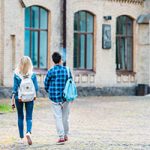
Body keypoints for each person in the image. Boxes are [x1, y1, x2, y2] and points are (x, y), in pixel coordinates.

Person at [44, 52, 72, 145]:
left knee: (58, 117)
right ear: (61, 60)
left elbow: (46, 84)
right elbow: (70, 82)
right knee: (65, 118)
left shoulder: (50, 71)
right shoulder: (67, 70)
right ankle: (66, 135)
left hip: (54, 98)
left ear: (53, 61)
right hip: (66, 98)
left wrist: (50, 91)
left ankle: (61, 137)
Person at [11, 56, 38, 145]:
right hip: (30, 97)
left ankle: (21, 138)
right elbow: (36, 88)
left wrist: (12, 101)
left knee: (20, 117)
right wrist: (34, 95)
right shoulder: (32, 74)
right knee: (29, 117)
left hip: (19, 98)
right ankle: (28, 132)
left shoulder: (16, 74)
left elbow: (14, 89)